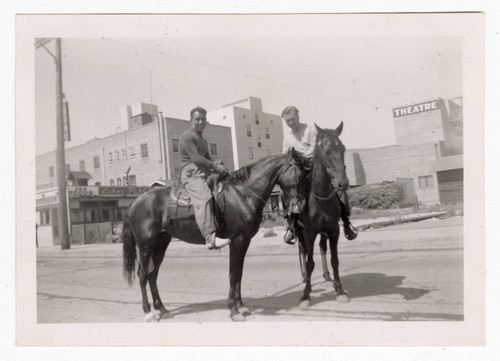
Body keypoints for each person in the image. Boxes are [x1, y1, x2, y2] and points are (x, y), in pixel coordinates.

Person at [281, 105, 358, 243]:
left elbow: (314, 149)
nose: (290, 123)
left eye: (292, 119)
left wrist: (300, 155)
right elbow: (286, 155)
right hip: (298, 169)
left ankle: (346, 222)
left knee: (338, 188)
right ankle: (291, 227)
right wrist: (292, 160)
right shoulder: (287, 138)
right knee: (287, 193)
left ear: (298, 116)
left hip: (313, 166)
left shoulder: (310, 129)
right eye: (287, 121)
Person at [179, 106, 231, 250]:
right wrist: (214, 167)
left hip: (202, 171)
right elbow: (196, 158)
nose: (201, 122)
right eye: (197, 119)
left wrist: (218, 166)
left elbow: (207, 159)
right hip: (191, 172)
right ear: (191, 120)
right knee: (204, 197)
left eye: (203, 119)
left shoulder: (203, 140)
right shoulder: (187, 137)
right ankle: (209, 237)